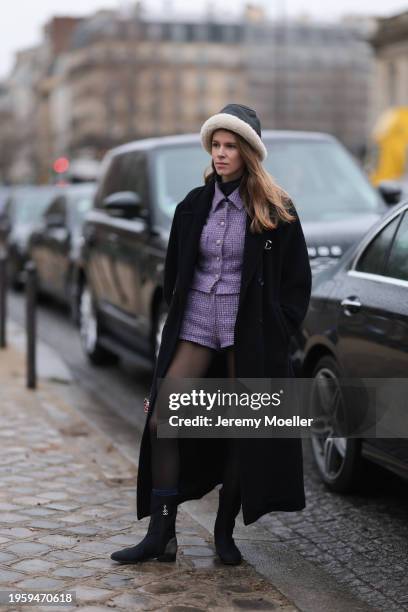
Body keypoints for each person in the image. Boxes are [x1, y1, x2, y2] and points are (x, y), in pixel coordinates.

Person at [110, 103, 312, 566]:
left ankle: (224, 533)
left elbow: (296, 283)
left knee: (242, 429)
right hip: (199, 322)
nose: (221, 155)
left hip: (249, 331)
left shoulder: (275, 211)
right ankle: (162, 534)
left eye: (230, 147)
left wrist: (276, 328)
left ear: (248, 154)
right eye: (216, 146)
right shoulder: (192, 205)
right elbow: (174, 274)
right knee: (163, 419)